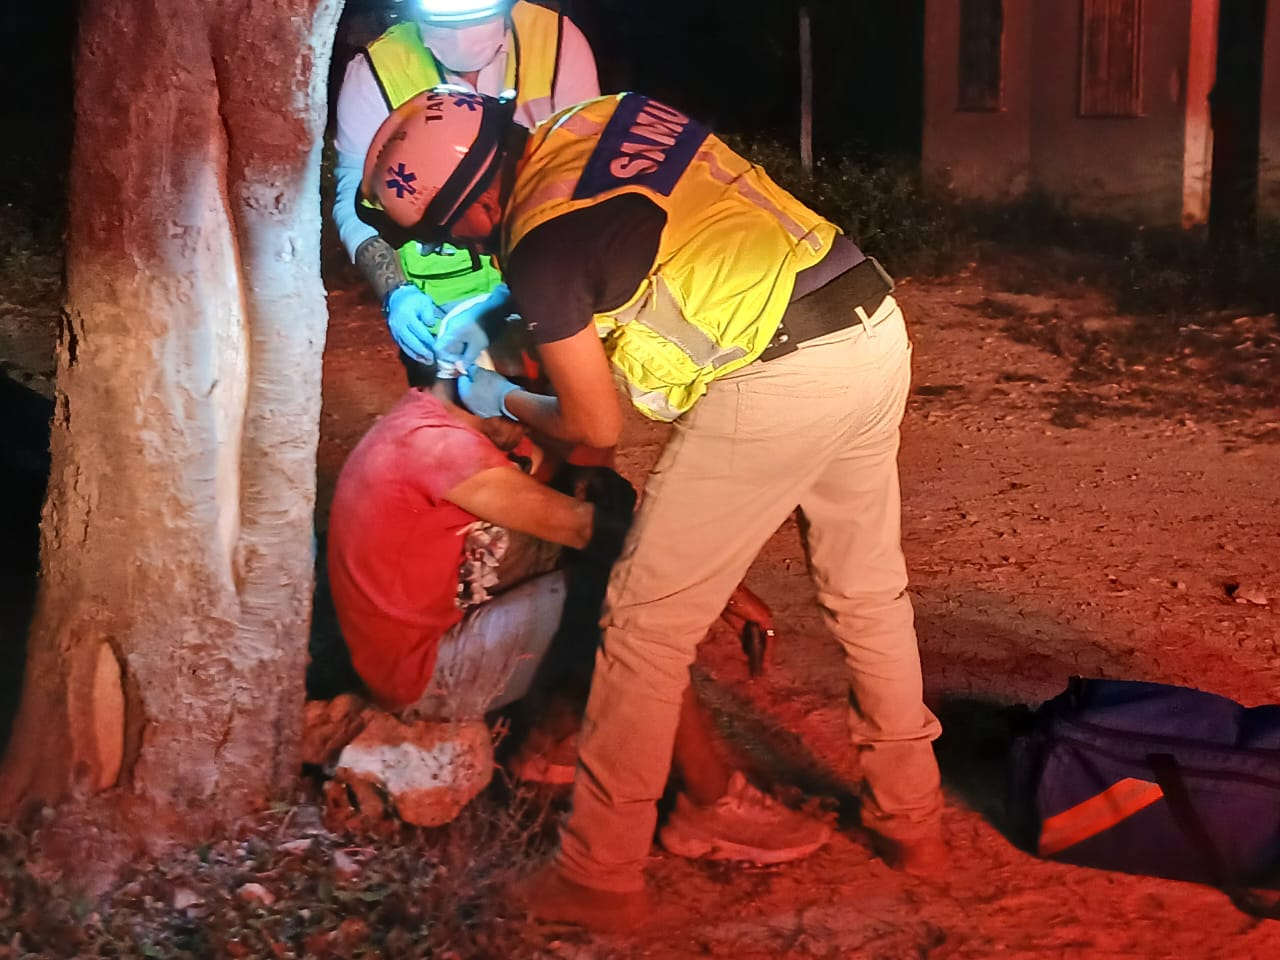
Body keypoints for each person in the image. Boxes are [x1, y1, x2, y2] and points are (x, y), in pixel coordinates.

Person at [359, 88, 947, 931]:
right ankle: (911, 822)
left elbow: (597, 422)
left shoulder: (538, 249)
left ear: (479, 204)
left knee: (642, 628)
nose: (473, 250)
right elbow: (641, 233)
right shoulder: (600, 113)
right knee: (866, 591)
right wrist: (512, 309)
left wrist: (497, 392)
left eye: (462, 236)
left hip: (781, 372)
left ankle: (598, 874)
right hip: (865, 318)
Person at [325, 345, 833, 860]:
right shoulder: (441, 453)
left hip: (427, 629)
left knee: (601, 501)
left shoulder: (427, 415)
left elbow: (565, 487)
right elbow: (587, 530)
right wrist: (725, 589)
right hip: (424, 678)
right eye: (528, 404)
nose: (534, 422)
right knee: (629, 598)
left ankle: (552, 737)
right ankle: (711, 803)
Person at [331, 0, 600, 369]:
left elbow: (584, 168)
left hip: (549, 276)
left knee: (552, 397)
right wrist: (397, 292)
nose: (459, 34)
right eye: (442, 22)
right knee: (448, 405)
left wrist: (535, 288)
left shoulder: (555, 41)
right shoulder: (377, 70)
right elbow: (357, 195)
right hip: (441, 299)